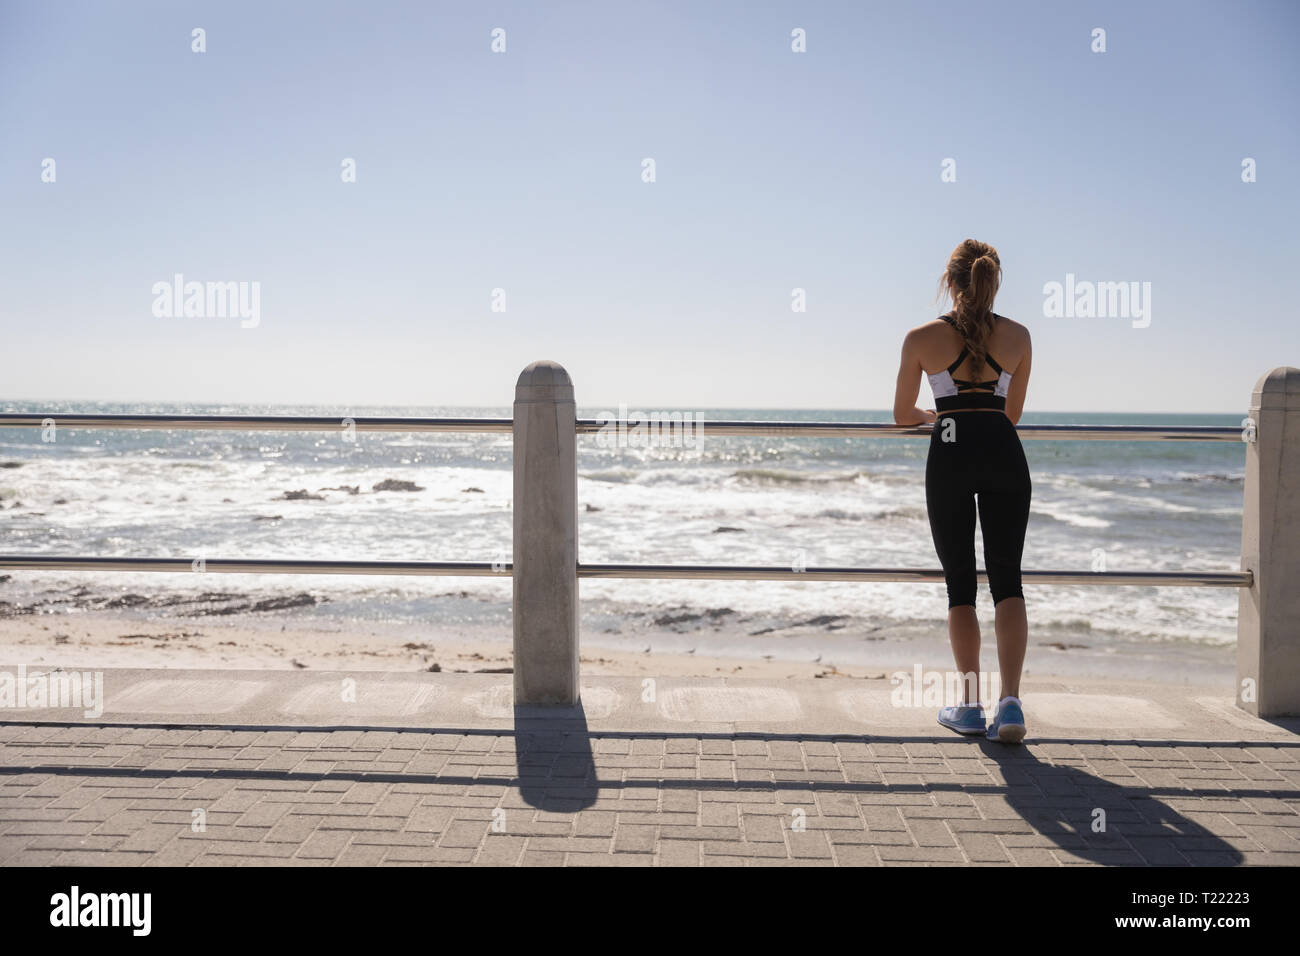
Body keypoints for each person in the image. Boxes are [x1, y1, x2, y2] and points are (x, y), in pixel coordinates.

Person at [892, 239, 1033, 743]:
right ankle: (1011, 705)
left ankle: (970, 707)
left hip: (950, 454)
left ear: (950, 282)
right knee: (1007, 581)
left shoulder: (920, 338)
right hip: (1003, 455)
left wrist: (939, 416)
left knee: (960, 585)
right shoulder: (1019, 337)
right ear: (991, 281)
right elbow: (1009, 415)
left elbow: (903, 415)